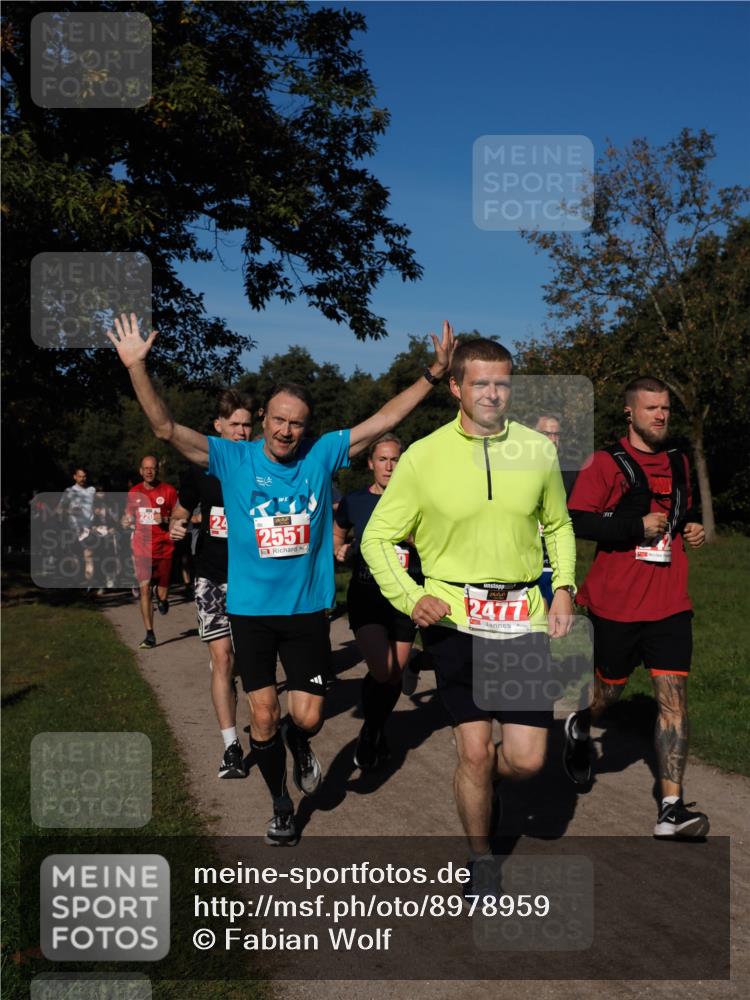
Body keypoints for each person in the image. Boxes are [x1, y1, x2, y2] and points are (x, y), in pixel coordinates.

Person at [107, 311, 455, 846]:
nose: (285, 430)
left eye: (296, 423)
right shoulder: (232, 457)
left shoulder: (322, 454)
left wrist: (433, 375)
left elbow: (384, 418)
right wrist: (136, 367)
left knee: (307, 718)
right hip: (250, 612)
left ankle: (300, 741)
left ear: (306, 428)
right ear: (263, 417)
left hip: (305, 612)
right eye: (277, 419)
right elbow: (165, 428)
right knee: (264, 714)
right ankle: (280, 805)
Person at [361, 338, 576, 896]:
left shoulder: (537, 450)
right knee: (475, 751)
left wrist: (564, 587)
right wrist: (410, 597)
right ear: (456, 386)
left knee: (527, 760)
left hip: (523, 618)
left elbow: (558, 525)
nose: (493, 394)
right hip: (456, 621)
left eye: (502, 383)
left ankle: (483, 784)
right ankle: (481, 858)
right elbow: (377, 538)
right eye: (481, 383)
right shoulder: (423, 456)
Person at [564, 376, 709, 838]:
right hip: (616, 604)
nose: (661, 415)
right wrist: (634, 526)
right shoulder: (606, 463)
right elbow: (577, 520)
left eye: (665, 408)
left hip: (670, 602)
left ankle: (671, 809)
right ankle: (581, 724)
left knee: (673, 701)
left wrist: (692, 527)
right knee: (609, 692)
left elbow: (682, 511)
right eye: (651, 408)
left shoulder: (678, 459)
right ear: (630, 412)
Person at [169, 390, 254, 779]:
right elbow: (181, 510)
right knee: (222, 659)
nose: (241, 432)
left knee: (247, 662)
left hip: (252, 578)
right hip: (212, 576)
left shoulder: (260, 465)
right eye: (234, 424)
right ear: (218, 426)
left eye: (247, 425)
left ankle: (264, 724)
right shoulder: (198, 470)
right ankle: (231, 747)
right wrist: (177, 524)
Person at [333, 433, 425, 770]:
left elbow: (438, 542)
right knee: (383, 669)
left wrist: (416, 539)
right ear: (371, 463)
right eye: (382, 460)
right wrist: (339, 549)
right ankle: (372, 729)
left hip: (405, 597)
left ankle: (374, 728)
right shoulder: (356, 501)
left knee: (394, 675)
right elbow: (338, 530)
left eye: (395, 459)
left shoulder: (419, 500)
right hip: (367, 595)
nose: (389, 466)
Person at [125, 455, 178, 649]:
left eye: (152, 468)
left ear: (157, 470)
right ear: (141, 471)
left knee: (162, 592)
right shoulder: (134, 492)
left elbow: (180, 517)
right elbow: (128, 515)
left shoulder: (169, 491)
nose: (149, 471)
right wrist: (126, 521)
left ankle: (161, 597)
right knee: (144, 589)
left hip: (164, 547)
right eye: (145, 468)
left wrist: (164, 519)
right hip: (142, 548)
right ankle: (149, 634)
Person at [534, 414, 578, 606]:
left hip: (556, 564)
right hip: (526, 564)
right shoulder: (514, 471)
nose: (552, 440)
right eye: (546, 434)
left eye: (556, 435)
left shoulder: (571, 472)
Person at [58, 468, 96, 586]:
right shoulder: (69, 491)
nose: (82, 479)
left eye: (84, 476)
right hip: (73, 529)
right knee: (75, 556)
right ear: (75, 477)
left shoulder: (92, 490)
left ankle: (89, 584)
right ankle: (76, 582)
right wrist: (70, 510)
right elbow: (59, 509)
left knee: (89, 555)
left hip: (88, 528)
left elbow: (97, 505)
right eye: (80, 476)